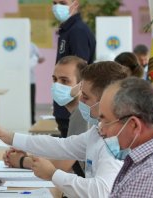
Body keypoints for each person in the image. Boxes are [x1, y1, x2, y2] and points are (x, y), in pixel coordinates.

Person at [0, 61, 128, 197]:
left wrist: (53, 174)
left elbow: (101, 192)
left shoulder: (116, 140)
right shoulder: (98, 131)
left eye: (85, 97)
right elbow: (61, 146)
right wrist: (10, 137)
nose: (80, 101)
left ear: (106, 100)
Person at [5, 56, 88, 175]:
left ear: (81, 85)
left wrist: (22, 161)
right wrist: (29, 153)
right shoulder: (77, 112)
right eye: (55, 79)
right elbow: (64, 151)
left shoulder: (82, 114)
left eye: (65, 81)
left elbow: (64, 164)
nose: (57, 85)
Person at [52, 0, 96, 141]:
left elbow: (79, 71)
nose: (58, 6)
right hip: (66, 107)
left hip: (73, 108)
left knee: (73, 158)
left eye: (63, 2)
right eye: (55, 2)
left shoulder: (78, 31)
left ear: (75, 4)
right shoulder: (67, 30)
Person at [30, 41, 44, 124]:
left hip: (30, 80)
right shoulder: (17, 44)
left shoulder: (32, 46)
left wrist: (35, 60)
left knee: (31, 101)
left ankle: (32, 120)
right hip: (18, 80)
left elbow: (41, 58)